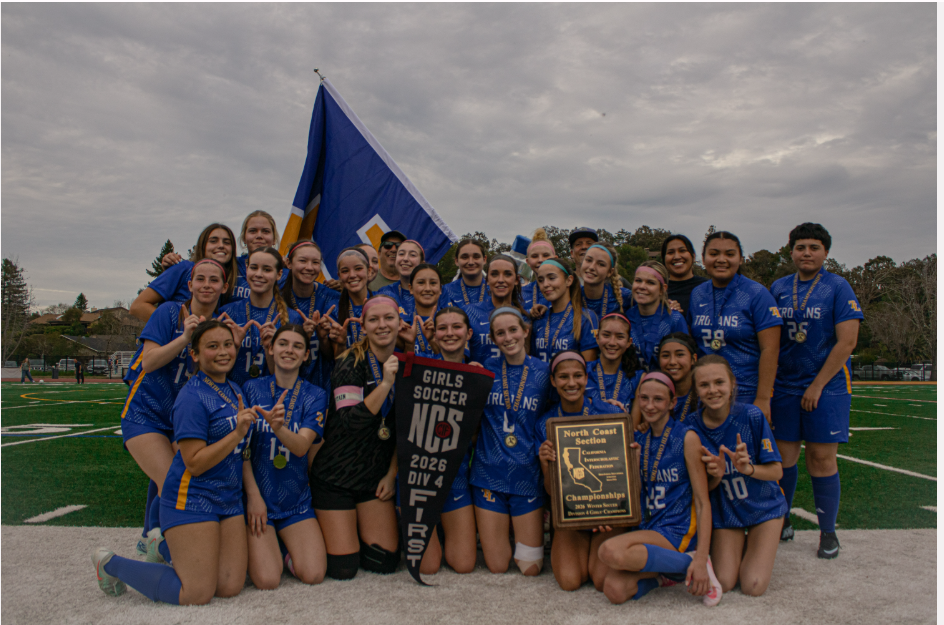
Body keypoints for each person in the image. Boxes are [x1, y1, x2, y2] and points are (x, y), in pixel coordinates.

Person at [92, 319, 255, 605]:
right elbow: (194, 463)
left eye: (228, 345)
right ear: (194, 354)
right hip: (192, 497)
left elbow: (241, 452)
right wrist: (237, 433)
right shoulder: (191, 397)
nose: (222, 352)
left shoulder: (234, 390)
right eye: (212, 346)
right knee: (196, 593)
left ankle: (165, 546)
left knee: (229, 586)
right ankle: (110, 564)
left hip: (228, 498)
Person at [120, 260, 233, 560]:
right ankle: (164, 545)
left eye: (214, 280)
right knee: (172, 478)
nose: (207, 285)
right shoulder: (168, 312)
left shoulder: (222, 324)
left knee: (185, 478)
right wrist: (184, 338)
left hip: (181, 418)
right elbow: (149, 362)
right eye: (200, 279)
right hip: (147, 411)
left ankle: (153, 538)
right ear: (190, 285)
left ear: (224, 287)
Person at [769, 223, 863, 558]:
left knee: (822, 458)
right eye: (800, 247)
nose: (806, 253)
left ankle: (827, 532)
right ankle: (782, 519)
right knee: (783, 458)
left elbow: (848, 341)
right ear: (790, 250)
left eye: (814, 247)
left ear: (825, 252)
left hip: (827, 384)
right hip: (786, 384)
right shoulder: (779, 287)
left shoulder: (838, 287)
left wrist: (818, 384)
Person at [596, 371, 720, 606]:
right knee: (613, 588)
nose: (649, 406)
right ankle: (666, 577)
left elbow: (703, 502)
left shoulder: (686, 437)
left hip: (676, 530)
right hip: (648, 526)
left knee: (610, 551)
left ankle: (689, 564)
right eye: (644, 398)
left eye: (658, 400)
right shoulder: (640, 440)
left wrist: (702, 557)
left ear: (672, 402)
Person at [309, 295, 401, 580]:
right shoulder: (350, 361)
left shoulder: (409, 362)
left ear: (400, 322)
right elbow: (350, 422)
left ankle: (353, 531)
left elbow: (409, 429)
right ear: (363, 326)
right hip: (336, 474)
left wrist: (391, 474)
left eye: (389, 318)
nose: (382, 325)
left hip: (374, 476)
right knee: (343, 568)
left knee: (383, 562)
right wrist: (386, 384)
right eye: (374, 320)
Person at [688, 355, 787, 597]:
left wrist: (748, 469)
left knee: (753, 585)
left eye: (719, 382)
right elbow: (700, 491)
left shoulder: (751, 416)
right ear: (696, 390)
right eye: (704, 385)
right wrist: (716, 476)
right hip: (727, 511)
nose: (713, 390)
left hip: (763, 507)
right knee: (724, 580)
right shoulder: (691, 428)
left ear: (732, 384)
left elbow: (776, 471)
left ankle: (756, 543)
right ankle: (741, 547)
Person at [243, 324, 329, 587]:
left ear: (305, 355)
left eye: (297, 346)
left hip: (295, 500)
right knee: (268, 580)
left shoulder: (315, 394)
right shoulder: (250, 389)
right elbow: (242, 451)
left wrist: (278, 428)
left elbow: (302, 447)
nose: (289, 350)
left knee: (313, 575)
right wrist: (254, 498)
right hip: (260, 500)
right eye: (283, 344)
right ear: (271, 348)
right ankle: (272, 549)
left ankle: (282, 546)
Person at [471, 307, 550, 576]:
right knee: (497, 565)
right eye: (500, 333)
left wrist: (604, 405)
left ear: (526, 331)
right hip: (487, 473)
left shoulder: (544, 373)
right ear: (493, 339)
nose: (508, 337)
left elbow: (566, 409)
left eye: (513, 330)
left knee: (530, 568)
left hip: (527, 476)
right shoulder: (484, 372)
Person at [535, 351, 623, 591]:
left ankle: (599, 543)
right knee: (569, 581)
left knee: (601, 580)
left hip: (607, 514)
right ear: (553, 381)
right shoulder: (546, 422)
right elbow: (551, 491)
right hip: (571, 515)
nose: (571, 383)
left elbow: (620, 477)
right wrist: (545, 462)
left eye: (577, 376)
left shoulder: (611, 414)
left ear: (587, 378)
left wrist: (610, 512)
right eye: (563, 377)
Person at [412, 306, 480, 575]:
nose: (450, 333)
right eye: (443, 328)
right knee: (427, 567)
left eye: (456, 327)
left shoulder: (477, 375)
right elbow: (404, 428)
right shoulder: (418, 370)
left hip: (456, 476)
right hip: (419, 477)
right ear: (434, 335)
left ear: (469, 333)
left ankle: (442, 530)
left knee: (463, 564)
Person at [688, 231, 782, 419]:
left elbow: (770, 349)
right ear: (704, 259)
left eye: (729, 254)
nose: (721, 259)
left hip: (746, 392)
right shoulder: (697, 294)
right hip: (707, 394)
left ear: (741, 259)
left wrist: (763, 398)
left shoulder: (757, 294)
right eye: (714, 254)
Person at [218, 247, 303, 387]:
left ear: (279, 274)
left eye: (267, 269)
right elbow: (215, 371)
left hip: (272, 399)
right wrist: (235, 346)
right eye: (254, 267)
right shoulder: (227, 313)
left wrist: (271, 348)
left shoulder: (291, 318)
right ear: (246, 269)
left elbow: (288, 379)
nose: (259, 274)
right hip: (231, 397)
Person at [132, 224, 238, 322]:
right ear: (203, 246)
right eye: (213, 241)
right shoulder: (184, 268)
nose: (221, 245)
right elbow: (138, 307)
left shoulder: (231, 278)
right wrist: (178, 327)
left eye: (227, 242)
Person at [281, 240, 339, 391]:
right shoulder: (278, 299)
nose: (309, 267)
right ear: (288, 263)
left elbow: (334, 356)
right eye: (302, 261)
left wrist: (323, 338)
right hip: (286, 384)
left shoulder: (332, 298)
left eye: (315, 262)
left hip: (325, 385)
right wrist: (303, 337)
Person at [532, 258, 599, 364]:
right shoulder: (539, 318)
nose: (545, 284)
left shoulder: (586, 317)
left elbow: (589, 368)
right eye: (541, 280)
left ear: (569, 280)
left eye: (552, 278)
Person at [626, 262, 689, 371]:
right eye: (638, 281)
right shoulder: (626, 317)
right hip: (633, 384)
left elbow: (684, 359)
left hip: (665, 384)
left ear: (662, 289)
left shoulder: (674, 320)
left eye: (650, 283)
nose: (642, 286)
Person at [466, 254, 528, 363]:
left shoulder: (526, 317)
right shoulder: (469, 313)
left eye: (507, 274)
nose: (500, 280)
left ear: (517, 279)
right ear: (487, 280)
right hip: (479, 378)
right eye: (494, 274)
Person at [585, 313, 644, 412]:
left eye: (620, 337)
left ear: (629, 342)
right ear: (597, 338)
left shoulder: (637, 379)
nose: (612, 342)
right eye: (606, 335)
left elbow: (633, 425)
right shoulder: (582, 372)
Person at [325, 247, 374, 352]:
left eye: (358, 268)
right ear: (339, 276)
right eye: (345, 271)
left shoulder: (382, 302)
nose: (352, 275)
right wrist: (341, 343)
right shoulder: (333, 309)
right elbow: (337, 360)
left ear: (369, 271)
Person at [398, 264, 442, 358]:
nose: (427, 288)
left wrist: (432, 341)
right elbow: (402, 366)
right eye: (421, 283)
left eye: (433, 283)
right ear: (411, 288)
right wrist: (409, 344)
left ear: (440, 289)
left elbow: (456, 364)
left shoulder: (452, 321)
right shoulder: (403, 322)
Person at [661, 234, 708, 321]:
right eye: (670, 252)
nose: (677, 257)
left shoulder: (708, 288)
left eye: (682, 251)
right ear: (664, 259)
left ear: (693, 256)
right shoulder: (657, 290)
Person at [581, 242, 632, 318]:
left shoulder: (624, 296)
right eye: (588, 260)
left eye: (601, 264)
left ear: (610, 272)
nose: (592, 267)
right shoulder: (571, 296)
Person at [377, 240, 425, 320]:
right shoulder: (385, 291)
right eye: (401, 254)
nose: (405, 259)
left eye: (412, 255)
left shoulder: (433, 292)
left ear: (422, 263)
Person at [657, 333, 700, 421]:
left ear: (694, 359)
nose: (672, 362)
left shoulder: (703, 395)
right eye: (665, 356)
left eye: (680, 355)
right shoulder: (653, 396)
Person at [441, 238, 489, 311]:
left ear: (484, 259)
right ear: (456, 261)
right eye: (465, 257)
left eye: (476, 257)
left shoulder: (495, 290)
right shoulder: (445, 291)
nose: (470, 262)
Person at [521, 228, 555, 314]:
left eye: (545, 255)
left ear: (555, 259)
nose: (540, 260)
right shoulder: (521, 293)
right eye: (535, 256)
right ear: (528, 262)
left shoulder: (569, 289)